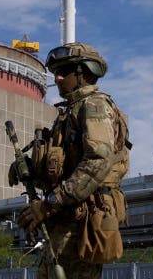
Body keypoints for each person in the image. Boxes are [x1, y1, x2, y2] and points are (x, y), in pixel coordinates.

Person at [10, 42, 131, 279]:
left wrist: (48, 205)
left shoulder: (94, 105)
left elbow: (97, 160)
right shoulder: (70, 112)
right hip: (64, 221)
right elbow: (64, 169)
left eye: (64, 71)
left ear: (83, 74)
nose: (57, 78)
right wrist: (30, 169)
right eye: (56, 71)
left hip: (81, 223)